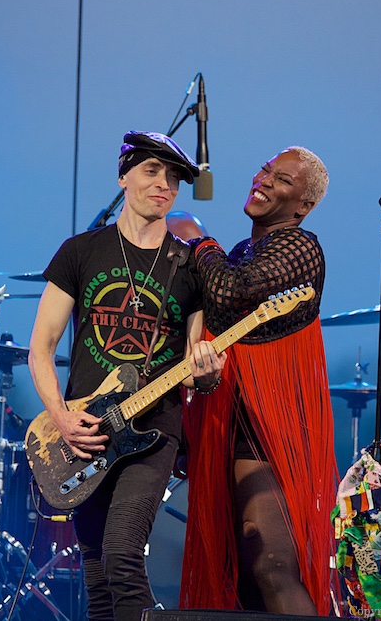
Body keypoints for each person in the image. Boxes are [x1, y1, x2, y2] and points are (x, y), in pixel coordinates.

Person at [28, 131, 225, 621]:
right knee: (95, 573)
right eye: (152, 171)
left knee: (121, 553)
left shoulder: (190, 266)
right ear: (123, 176)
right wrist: (61, 417)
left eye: (174, 177)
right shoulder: (80, 252)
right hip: (86, 430)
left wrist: (207, 372)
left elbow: (200, 369)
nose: (165, 185)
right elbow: (41, 349)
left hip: (154, 431)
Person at [179, 146, 339, 616]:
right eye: (266, 169)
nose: (265, 180)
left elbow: (230, 295)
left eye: (283, 180)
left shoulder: (300, 246)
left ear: (303, 206)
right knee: (242, 574)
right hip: (233, 424)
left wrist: (197, 240)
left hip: (273, 432)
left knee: (270, 563)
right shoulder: (245, 252)